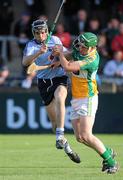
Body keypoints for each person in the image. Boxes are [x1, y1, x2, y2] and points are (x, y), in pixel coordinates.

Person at [53, 32, 119, 174]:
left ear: (91, 47)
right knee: (80, 138)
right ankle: (107, 151)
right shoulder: (81, 49)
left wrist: (60, 55)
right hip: (76, 97)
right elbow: (71, 54)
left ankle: (111, 162)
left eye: (83, 47)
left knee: (87, 134)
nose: (80, 48)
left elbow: (69, 67)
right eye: (79, 45)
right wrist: (59, 59)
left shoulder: (92, 59)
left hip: (87, 98)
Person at [22, 19, 80, 163]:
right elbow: (25, 63)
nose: (41, 36)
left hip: (59, 77)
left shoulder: (55, 40)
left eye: (43, 32)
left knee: (60, 97)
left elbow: (69, 56)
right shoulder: (31, 45)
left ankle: (60, 135)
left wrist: (59, 55)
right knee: (53, 123)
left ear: (47, 31)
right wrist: (38, 53)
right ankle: (65, 144)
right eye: (37, 33)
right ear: (33, 33)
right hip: (43, 82)